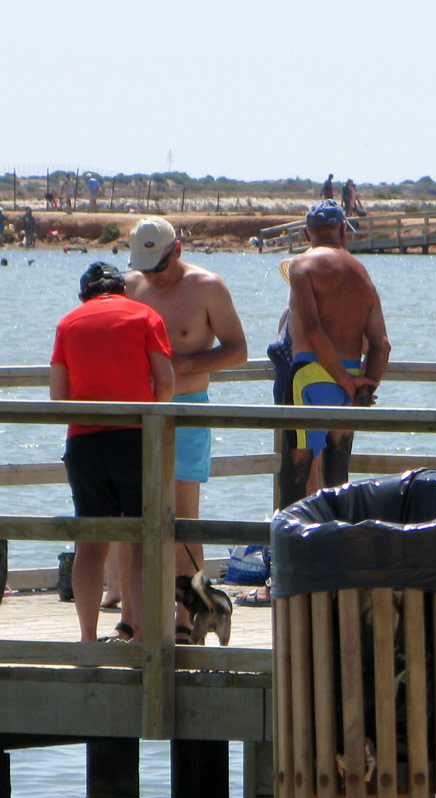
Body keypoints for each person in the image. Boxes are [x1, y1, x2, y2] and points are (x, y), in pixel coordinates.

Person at [125, 216, 249, 642]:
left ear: (177, 250)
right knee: (139, 517)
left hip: (188, 410)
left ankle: (185, 616)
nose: (151, 277)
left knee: (183, 518)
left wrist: (184, 366)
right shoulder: (131, 286)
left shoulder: (208, 286)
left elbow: (238, 351)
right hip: (140, 412)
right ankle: (138, 621)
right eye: (144, 269)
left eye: (158, 267)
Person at [49, 262, 174, 642]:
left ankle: (88, 639)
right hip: (135, 437)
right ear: (122, 290)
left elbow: (59, 397)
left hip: (85, 441)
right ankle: (141, 636)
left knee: (90, 543)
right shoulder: (146, 315)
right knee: (141, 540)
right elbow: (166, 382)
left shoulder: (68, 324)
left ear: (84, 294)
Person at [277, 200, 391, 510]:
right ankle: (340, 549)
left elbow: (313, 330)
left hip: (308, 378)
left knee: (295, 474)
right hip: (352, 380)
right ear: (343, 230)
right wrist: (365, 386)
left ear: (306, 234)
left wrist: (338, 377)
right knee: (338, 474)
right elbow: (381, 344)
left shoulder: (302, 266)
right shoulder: (362, 275)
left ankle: (291, 554)